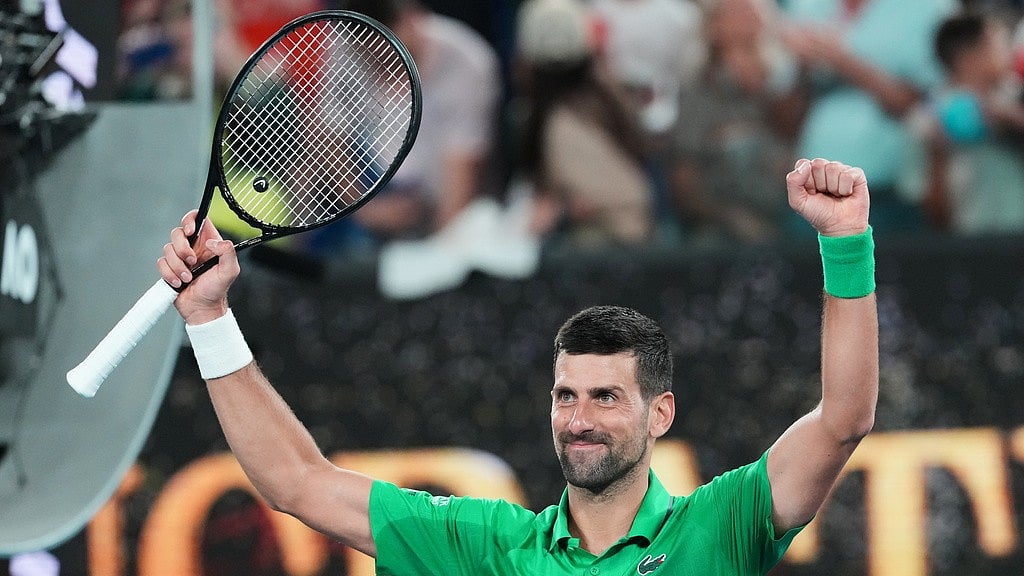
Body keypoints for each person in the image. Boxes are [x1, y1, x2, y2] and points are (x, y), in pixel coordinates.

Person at [158, 157, 878, 574]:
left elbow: (843, 420)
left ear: (660, 413)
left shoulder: (718, 527)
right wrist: (209, 318)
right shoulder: (490, 547)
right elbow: (296, 482)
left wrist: (845, 241)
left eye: (605, 397)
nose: (579, 419)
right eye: (566, 396)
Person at [778, 0, 958, 233]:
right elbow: (785, 121)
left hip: (892, 194)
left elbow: (929, 105)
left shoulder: (929, 8)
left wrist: (842, 61)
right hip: (811, 195)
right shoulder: (805, 5)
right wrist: (801, 70)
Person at [514, 0, 655, 246]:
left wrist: (565, 207)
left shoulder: (567, 121)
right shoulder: (593, 98)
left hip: (617, 245)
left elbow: (630, 195)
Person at [907, 11, 1024, 234]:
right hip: (966, 237)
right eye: (1001, 45)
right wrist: (938, 151)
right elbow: (930, 206)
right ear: (968, 56)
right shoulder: (927, 118)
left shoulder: (1014, 99)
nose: (1010, 53)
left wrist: (1008, 117)